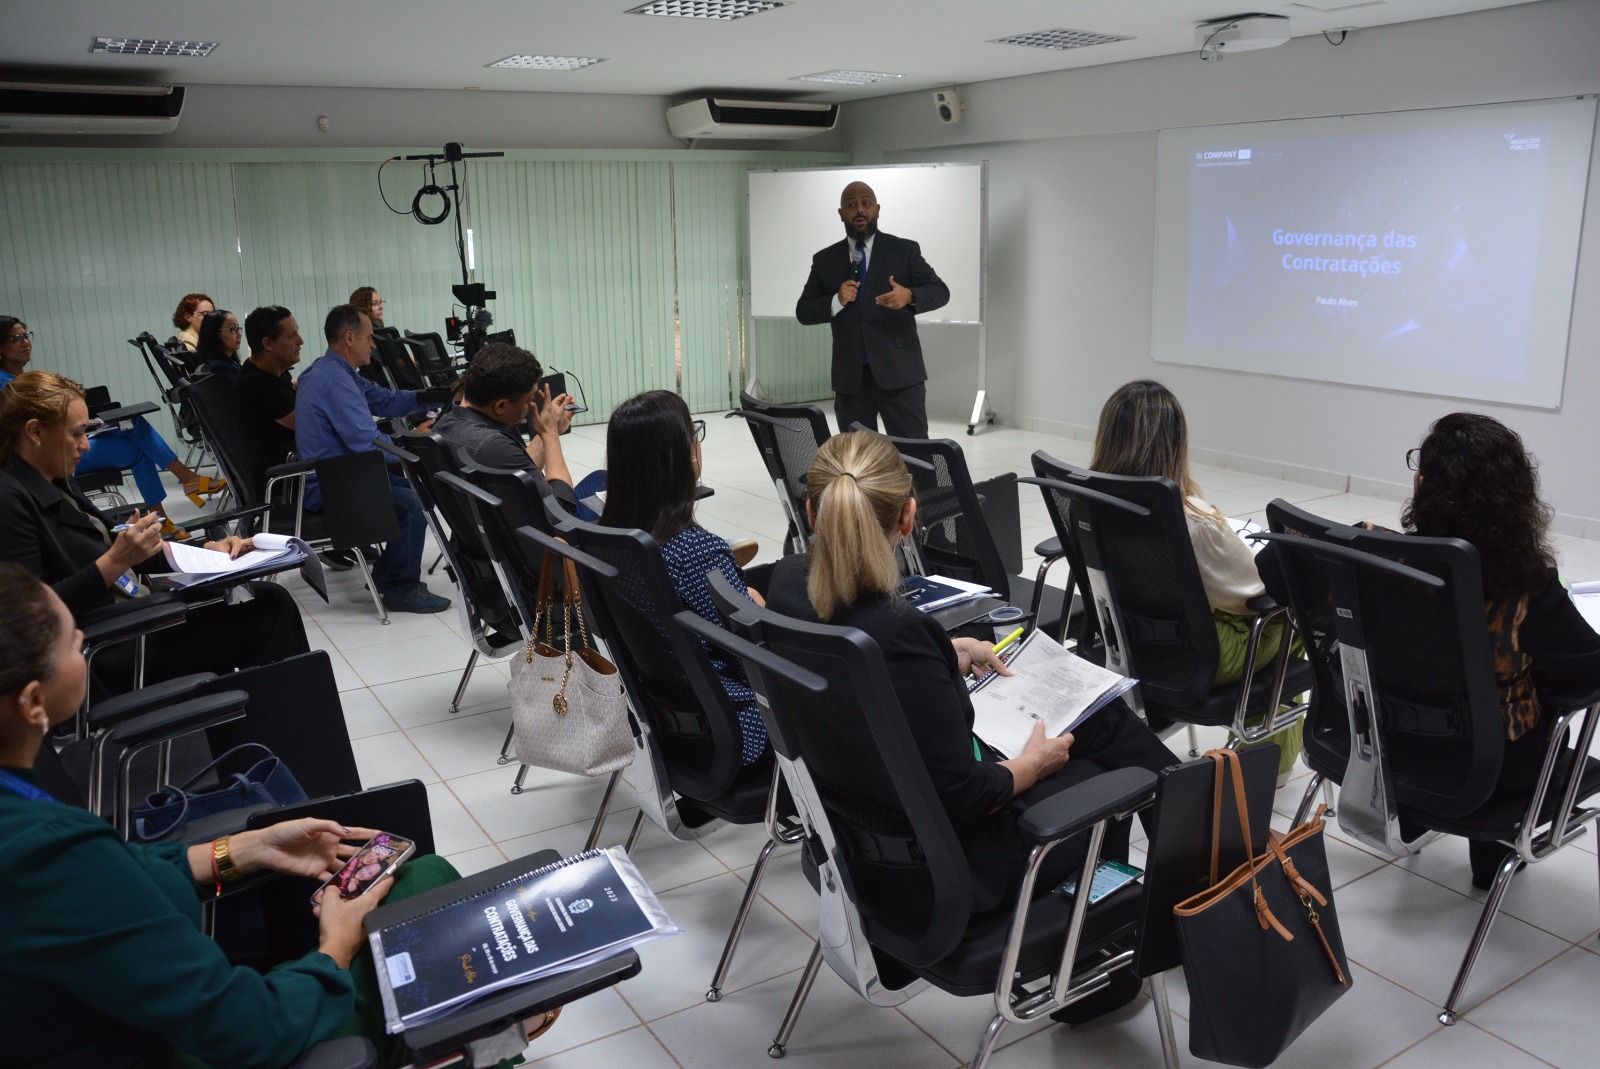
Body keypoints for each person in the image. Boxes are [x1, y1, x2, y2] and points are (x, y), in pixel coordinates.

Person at [0, 562, 480, 1069]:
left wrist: (242, 851)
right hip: (185, 1045)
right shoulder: (43, 852)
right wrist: (334, 947)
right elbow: (250, 1030)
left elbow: (98, 893)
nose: (84, 639)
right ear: (33, 702)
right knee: (428, 897)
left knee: (417, 887)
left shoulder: (32, 828)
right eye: (74, 642)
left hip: (133, 1017)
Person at [766, 430, 1175, 1019]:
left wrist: (943, 655)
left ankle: (1195, 847)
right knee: (1098, 750)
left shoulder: (786, 589)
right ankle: (1170, 895)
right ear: (909, 517)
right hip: (952, 876)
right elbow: (963, 792)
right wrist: (1032, 766)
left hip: (860, 847)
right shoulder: (899, 632)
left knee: (1098, 722)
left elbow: (863, 676)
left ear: (811, 511)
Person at [0, 371, 310, 690]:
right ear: (35, 432)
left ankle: (270, 728)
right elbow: (31, 616)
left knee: (268, 601)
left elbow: (120, 555)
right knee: (268, 612)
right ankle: (290, 730)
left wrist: (207, 550)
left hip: (131, 620)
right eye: (76, 434)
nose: (85, 446)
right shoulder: (10, 502)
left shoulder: (56, 480)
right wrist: (115, 562)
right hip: (108, 650)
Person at [1401, 412, 1600, 888]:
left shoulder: (1389, 562)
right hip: (1491, 768)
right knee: (1538, 693)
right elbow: (1588, 669)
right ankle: (1493, 861)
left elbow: (1273, 565)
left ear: (1426, 485)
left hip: (1392, 746)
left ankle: (1416, 817)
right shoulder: (1526, 589)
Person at [1089, 380, 1303, 775]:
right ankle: (1270, 768)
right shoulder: (1193, 519)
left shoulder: (1088, 500)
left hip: (1124, 638)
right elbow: (1253, 594)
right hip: (1195, 657)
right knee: (1298, 614)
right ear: (1174, 443)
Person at [599, 390, 769, 766]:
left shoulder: (607, 542)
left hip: (665, 728)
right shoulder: (697, 553)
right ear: (687, 453)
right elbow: (753, 664)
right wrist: (759, 612)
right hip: (738, 732)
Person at [296, 304, 453, 614]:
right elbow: (365, 442)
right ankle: (400, 587)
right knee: (411, 502)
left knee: (408, 485)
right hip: (332, 484)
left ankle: (385, 576)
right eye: (369, 338)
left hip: (347, 472)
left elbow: (385, 400)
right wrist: (414, 447)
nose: (373, 344)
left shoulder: (336, 372)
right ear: (350, 337)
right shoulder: (334, 382)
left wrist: (439, 395)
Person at [2, 316, 224, 533]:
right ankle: (184, 485)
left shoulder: (20, 379)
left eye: (26, 335)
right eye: (16, 339)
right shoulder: (7, 388)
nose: (25, 342)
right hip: (53, 454)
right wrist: (83, 427)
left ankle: (164, 514)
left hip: (63, 442)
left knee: (137, 436)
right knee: (137, 433)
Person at [795, 180, 950, 439]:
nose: (859, 210)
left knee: (915, 456)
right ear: (841, 213)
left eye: (866, 204)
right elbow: (804, 311)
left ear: (877, 209)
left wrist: (910, 296)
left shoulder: (904, 250)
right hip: (851, 381)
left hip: (900, 375)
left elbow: (940, 291)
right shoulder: (825, 260)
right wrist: (836, 300)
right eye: (851, 205)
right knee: (859, 460)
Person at [432, 341, 606, 517]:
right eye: (529, 399)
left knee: (601, 478)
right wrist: (550, 433)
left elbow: (517, 476)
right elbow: (561, 512)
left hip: (499, 531)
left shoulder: (444, 427)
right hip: (548, 538)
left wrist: (548, 432)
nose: (532, 405)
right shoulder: (493, 446)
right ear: (500, 406)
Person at [235, 304, 305, 470]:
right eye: (291, 336)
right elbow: (313, 426)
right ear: (268, 343)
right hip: (293, 474)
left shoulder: (270, 374)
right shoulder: (260, 386)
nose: (300, 341)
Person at [195, 308, 246, 383]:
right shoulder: (219, 368)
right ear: (215, 334)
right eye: (233, 329)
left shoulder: (228, 361)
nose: (239, 334)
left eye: (238, 328)